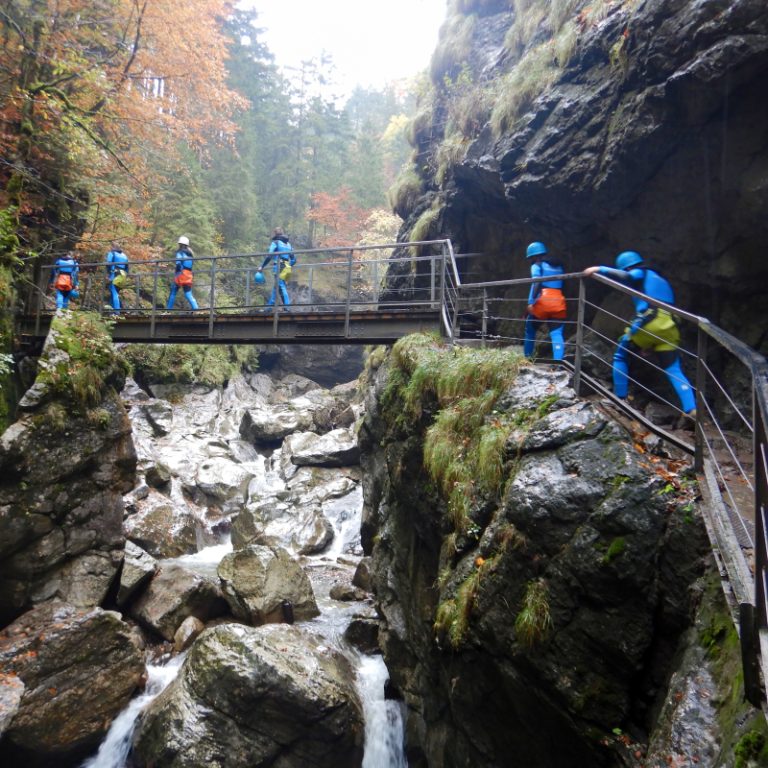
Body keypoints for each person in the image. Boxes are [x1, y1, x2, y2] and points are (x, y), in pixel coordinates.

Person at [584, 251, 696, 417]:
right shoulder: (662, 280)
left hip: (649, 321)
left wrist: (600, 269)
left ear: (628, 266)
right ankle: (691, 409)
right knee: (673, 369)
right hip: (670, 325)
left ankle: (619, 398)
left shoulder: (641, 272)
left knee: (620, 356)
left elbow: (628, 277)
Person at [523, 241, 566, 360]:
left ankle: (527, 359)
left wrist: (531, 302)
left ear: (532, 256)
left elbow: (536, 283)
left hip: (542, 301)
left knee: (530, 329)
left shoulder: (537, 266)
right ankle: (559, 363)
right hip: (558, 301)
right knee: (557, 333)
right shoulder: (559, 267)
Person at [256, 228, 295, 308]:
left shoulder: (276, 243)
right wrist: (288, 265)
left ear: (275, 234)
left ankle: (287, 308)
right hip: (286, 267)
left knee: (281, 286)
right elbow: (294, 260)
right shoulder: (289, 244)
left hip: (278, 266)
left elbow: (269, 256)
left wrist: (262, 266)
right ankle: (269, 307)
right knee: (276, 287)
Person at [166, 235, 199, 310]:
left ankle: (168, 310)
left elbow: (178, 264)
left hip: (181, 274)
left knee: (173, 292)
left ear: (180, 244)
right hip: (188, 275)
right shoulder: (190, 254)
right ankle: (196, 309)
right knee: (188, 293)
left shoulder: (179, 253)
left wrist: (176, 274)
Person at [106, 242, 129, 313]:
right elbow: (127, 268)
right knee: (114, 292)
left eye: (111, 247)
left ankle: (116, 312)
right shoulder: (125, 256)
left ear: (113, 247)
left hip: (114, 274)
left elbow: (108, 264)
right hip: (123, 276)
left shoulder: (112, 253)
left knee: (114, 292)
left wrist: (108, 274)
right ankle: (111, 311)